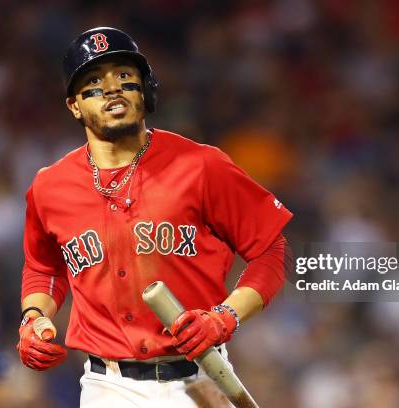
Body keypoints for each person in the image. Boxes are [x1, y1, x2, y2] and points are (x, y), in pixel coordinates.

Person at [16, 26, 292, 407]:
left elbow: (271, 251)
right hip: (107, 387)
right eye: (94, 81)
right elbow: (44, 268)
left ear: (145, 91)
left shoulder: (201, 166)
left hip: (197, 378)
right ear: (74, 106)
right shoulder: (50, 187)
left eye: (125, 76)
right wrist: (34, 317)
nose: (112, 88)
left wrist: (225, 316)